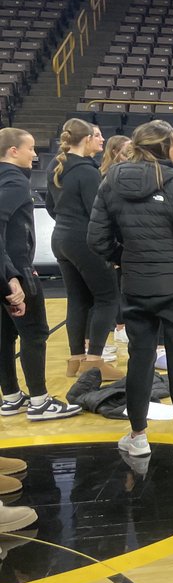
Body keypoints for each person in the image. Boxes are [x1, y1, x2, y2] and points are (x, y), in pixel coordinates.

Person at [87, 120, 173, 457]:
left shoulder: (110, 182)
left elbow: (96, 239)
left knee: (140, 358)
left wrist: (127, 258)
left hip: (135, 285)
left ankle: (137, 437)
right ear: (167, 147)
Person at [0, 128, 83, 421]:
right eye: (30, 148)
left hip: (7, 269)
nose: (35, 155)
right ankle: (39, 401)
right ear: (13, 151)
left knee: (5, 335)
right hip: (16, 271)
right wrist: (11, 276)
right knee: (34, 333)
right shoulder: (14, 182)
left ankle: (10, 396)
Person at [45, 118, 122, 381]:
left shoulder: (56, 166)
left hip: (61, 239)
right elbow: (98, 214)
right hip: (85, 240)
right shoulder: (88, 172)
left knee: (78, 299)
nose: (100, 139)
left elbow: (50, 207)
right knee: (108, 298)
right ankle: (95, 361)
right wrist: (113, 248)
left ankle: (76, 358)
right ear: (87, 139)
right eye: (96, 136)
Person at [99, 134, 131, 344]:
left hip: (123, 239)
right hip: (114, 241)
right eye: (128, 151)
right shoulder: (108, 177)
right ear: (116, 152)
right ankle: (119, 327)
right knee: (117, 286)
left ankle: (122, 325)